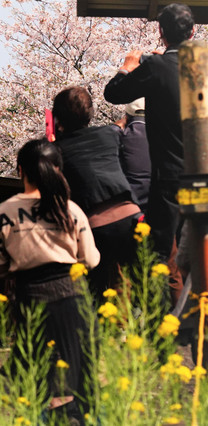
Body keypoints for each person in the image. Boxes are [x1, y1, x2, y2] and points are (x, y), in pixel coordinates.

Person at [0, 138, 100, 423]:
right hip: (71, 296)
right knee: (79, 374)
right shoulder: (69, 209)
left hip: (29, 297)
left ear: (19, 170)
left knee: (36, 371)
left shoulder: (6, 211)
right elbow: (90, 258)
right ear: (58, 170)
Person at [103, 4, 193, 299]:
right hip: (201, 176)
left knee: (161, 254)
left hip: (168, 180)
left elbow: (113, 92)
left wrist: (128, 66)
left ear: (161, 32)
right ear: (193, 32)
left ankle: (164, 329)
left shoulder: (155, 68)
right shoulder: (202, 66)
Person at [52, 86, 142, 302]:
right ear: (90, 113)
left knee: (94, 294)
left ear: (57, 117)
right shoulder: (109, 134)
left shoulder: (55, 152)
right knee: (143, 286)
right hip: (132, 218)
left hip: (94, 228)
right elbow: (121, 123)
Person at [111, 98, 151, 212]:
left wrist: (115, 127)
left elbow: (104, 136)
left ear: (126, 117)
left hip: (129, 201)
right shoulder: (160, 133)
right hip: (156, 197)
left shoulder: (121, 135)